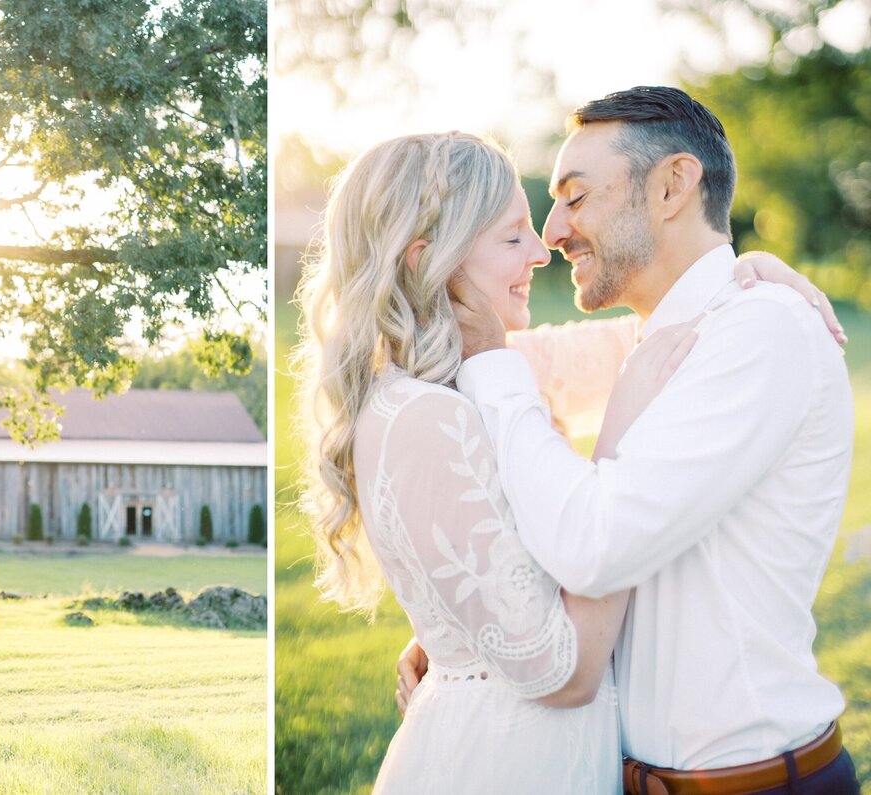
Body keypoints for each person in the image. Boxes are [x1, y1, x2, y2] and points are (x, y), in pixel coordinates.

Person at [293, 129, 821, 793]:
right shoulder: (428, 412)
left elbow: (652, 337)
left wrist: (743, 279)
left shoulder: (462, 375)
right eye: (513, 236)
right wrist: (622, 427)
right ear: (435, 261)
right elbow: (565, 672)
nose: (542, 250)